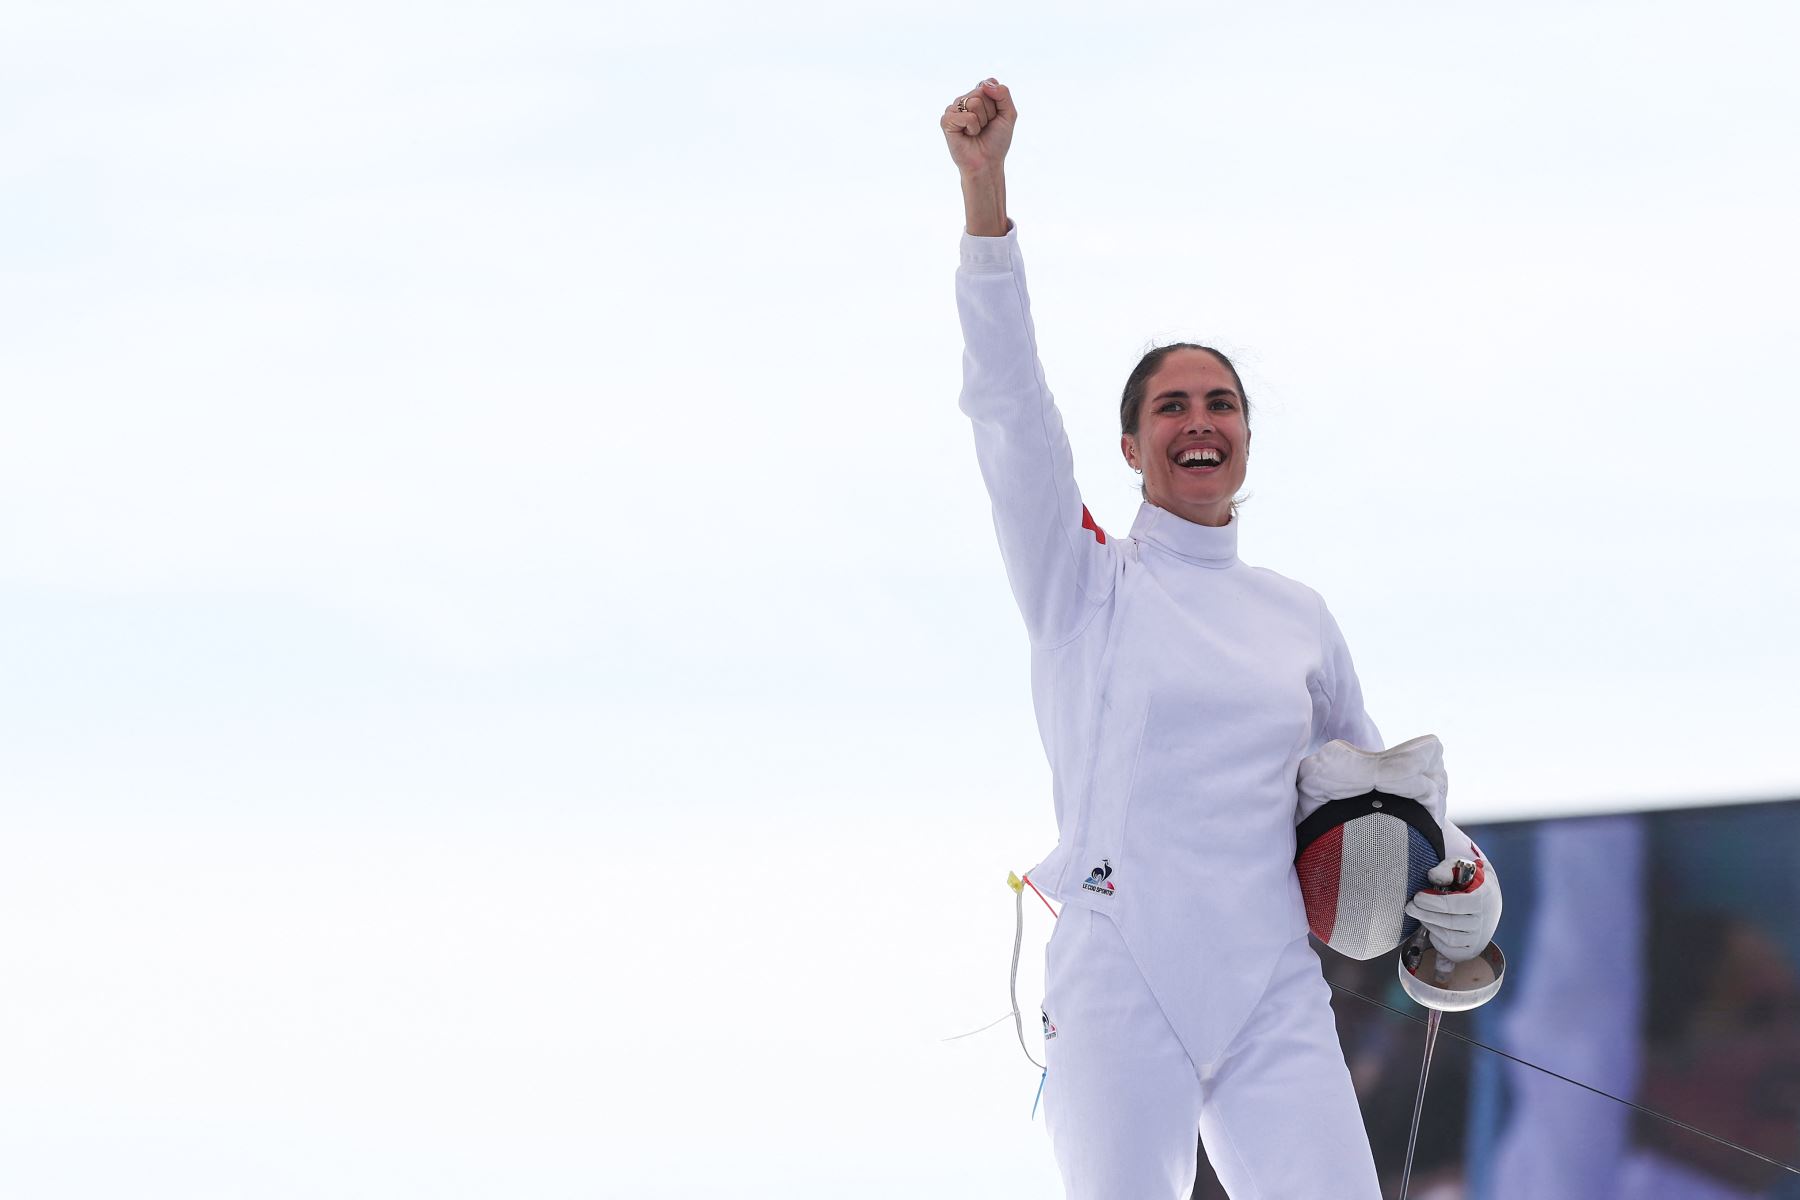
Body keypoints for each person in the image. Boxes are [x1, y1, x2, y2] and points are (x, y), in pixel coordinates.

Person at [940, 78, 1501, 1199]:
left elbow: (1381, 796)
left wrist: (1465, 894)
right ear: (1133, 445)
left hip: (1271, 992)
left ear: (1246, 436)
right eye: (1173, 406)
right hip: (1116, 976)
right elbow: (1008, 412)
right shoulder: (1082, 583)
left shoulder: (1298, 616)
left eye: (1222, 404)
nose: (1201, 421)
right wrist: (985, 198)